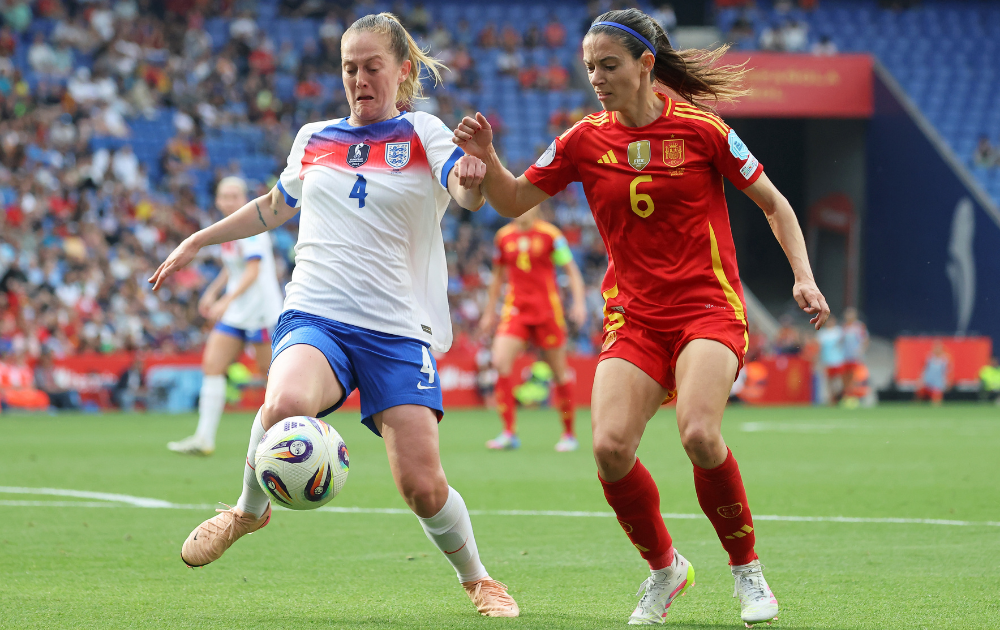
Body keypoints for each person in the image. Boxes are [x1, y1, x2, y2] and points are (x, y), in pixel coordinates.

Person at [452, 8, 830, 626]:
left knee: (699, 433)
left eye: (609, 66)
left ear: (645, 65)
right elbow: (513, 200)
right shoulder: (582, 140)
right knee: (608, 448)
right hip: (635, 317)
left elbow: (774, 203)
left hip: (708, 306)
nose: (596, 79)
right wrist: (488, 157)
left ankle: (747, 570)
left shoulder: (704, 131)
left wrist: (804, 277)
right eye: (589, 68)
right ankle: (665, 569)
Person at [148, 13, 518, 618]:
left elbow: (468, 193)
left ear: (402, 72)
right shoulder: (314, 136)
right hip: (317, 311)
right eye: (350, 68)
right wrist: (197, 240)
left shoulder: (424, 131)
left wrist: (477, 170)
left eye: (373, 66)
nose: (359, 78)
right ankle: (246, 511)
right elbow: (273, 206)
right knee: (282, 403)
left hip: (397, 329)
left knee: (422, 487)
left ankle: (477, 578)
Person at [168, 177, 282, 456]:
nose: (229, 201)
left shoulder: (253, 227)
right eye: (224, 196)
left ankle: (284, 441)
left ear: (244, 198)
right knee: (212, 365)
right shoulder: (229, 230)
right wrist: (213, 291)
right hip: (237, 311)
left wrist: (224, 300)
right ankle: (204, 438)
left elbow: (253, 272)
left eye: (235, 196)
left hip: (261, 312)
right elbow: (234, 269)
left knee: (274, 378)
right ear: (218, 200)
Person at [478, 205, 586, 451]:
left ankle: (569, 434)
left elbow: (571, 271)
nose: (520, 210)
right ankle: (508, 433)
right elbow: (497, 276)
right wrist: (488, 312)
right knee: (499, 363)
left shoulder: (551, 235)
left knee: (559, 372)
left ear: (536, 207)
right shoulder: (503, 237)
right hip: (516, 310)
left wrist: (579, 303)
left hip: (547, 311)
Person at [816, 313, 845, 404]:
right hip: (827, 361)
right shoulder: (822, 334)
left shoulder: (838, 331)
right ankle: (832, 400)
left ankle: (838, 397)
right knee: (829, 381)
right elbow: (819, 348)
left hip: (838, 360)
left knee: (838, 381)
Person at [840, 307, 868, 402]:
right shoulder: (844, 327)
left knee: (854, 377)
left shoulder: (859, 326)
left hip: (855, 356)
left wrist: (860, 351)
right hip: (845, 356)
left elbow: (865, 340)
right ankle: (846, 396)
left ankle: (855, 397)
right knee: (845, 377)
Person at [916, 341, 950, 405]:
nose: (937, 350)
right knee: (920, 395)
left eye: (939, 348)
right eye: (936, 348)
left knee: (936, 400)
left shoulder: (945, 359)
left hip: (938, 383)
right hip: (928, 381)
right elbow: (923, 369)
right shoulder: (928, 357)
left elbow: (947, 372)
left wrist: (947, 381)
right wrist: (920, 379)